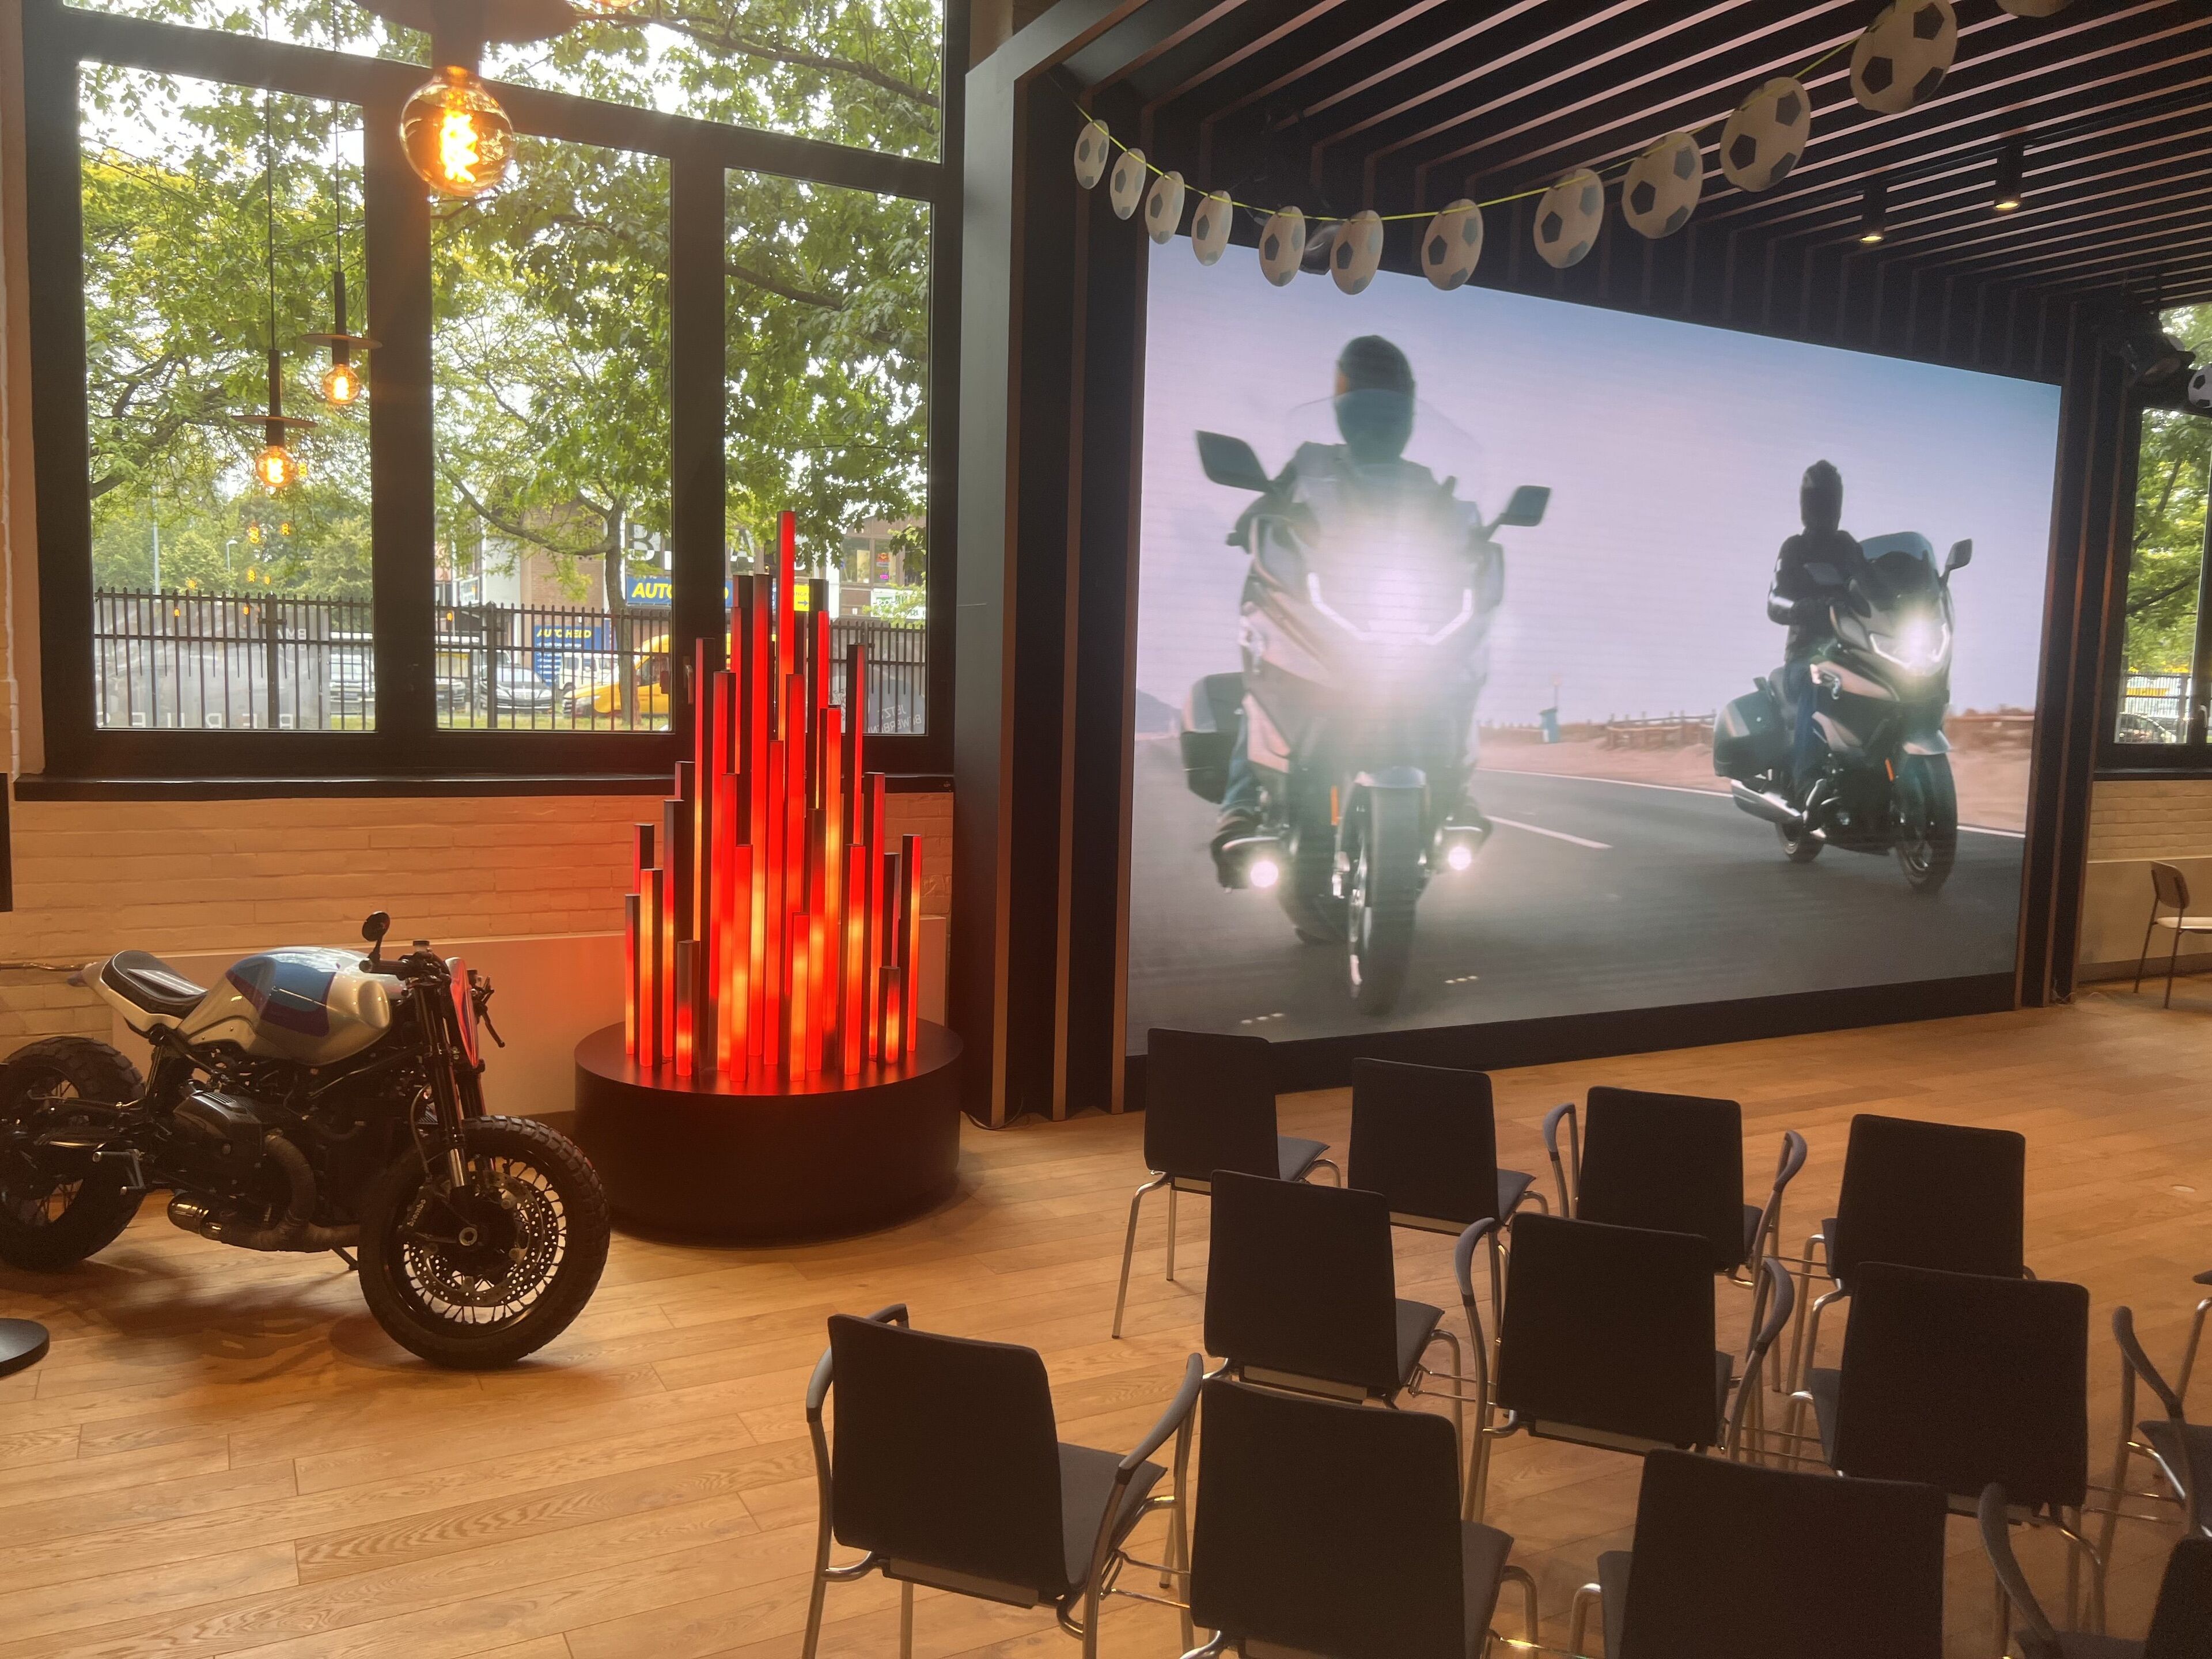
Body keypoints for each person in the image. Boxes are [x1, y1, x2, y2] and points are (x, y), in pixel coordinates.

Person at [1210, 336, 1423, 874]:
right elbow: (1268, 504)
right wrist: (1251, 521)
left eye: (1387, 405)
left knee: (1446, 681)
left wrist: (1477, 541)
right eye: (1368, 403)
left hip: (1397, 618)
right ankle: (1240, 807)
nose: (1378, 418)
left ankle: (1452, 791)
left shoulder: (1421, 483)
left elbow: (1459, 527)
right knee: (1267, 689)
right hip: (1316, 612)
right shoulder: (1311, 463)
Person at [1767, 460, 1868, 803]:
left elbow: (1873, 583)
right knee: (1818, 677)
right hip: (1804, 656)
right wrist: (1801, 608)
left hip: (1853, 653)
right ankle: (1806, 779)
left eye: (1830, 500)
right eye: (1819, 500)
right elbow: (1774, 601)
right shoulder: (1794, 549)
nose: (1825, 508)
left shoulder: (1848, 547)